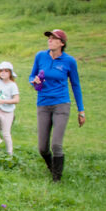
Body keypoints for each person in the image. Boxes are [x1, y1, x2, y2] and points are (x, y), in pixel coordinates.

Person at [30, 29, 85, 181]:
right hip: (43, 104)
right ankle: (52, 168)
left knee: (56, 145)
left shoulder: (69, 61)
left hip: (61, 104)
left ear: (62, 43)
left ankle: (56, 179)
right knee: (42, 148)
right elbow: (31, 75)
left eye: (54, 38)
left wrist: (81, 110)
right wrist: (33, 81)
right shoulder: (40, 56)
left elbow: (75, 85)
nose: (50, 40)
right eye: (49, 38)